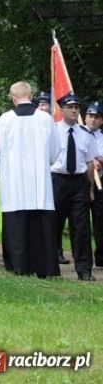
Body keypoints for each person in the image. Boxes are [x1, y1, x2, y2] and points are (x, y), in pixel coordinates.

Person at [0, 81, 62, 278]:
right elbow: (56, 149)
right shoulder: (45, 119)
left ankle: (18, 266)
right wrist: (45, 162)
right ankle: (44, 267)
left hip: (14, 181)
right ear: (31, 95)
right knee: (40, 226)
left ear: (13, 98)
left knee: (17, 224)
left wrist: (3, 166)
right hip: (40, 183)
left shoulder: (5, 119)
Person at [50, 93, 97, 281]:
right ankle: (49, 266)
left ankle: (84, 270)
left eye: (77, 107)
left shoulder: (86, 134)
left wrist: (90, 189)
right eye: (70, 107)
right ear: (62, 109)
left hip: (79, 183)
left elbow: (90, 163)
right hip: (57, 180)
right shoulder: (52, 131)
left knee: (82, 227)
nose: (74, 110)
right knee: (53, 224)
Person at [84, 101, 103, 267]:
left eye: (96, 117)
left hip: (99, 183)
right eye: (90, 116)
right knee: (80, 221)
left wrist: (98, 160)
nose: (93, 120)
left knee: (100, 219)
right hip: (81, 181)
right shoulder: (79, 134)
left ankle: (101, 256)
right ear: (85, 118)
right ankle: (82, 256)